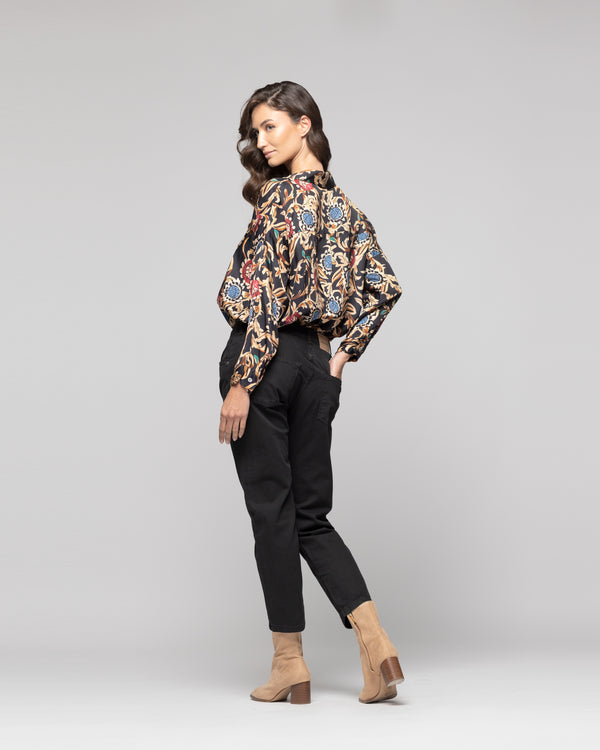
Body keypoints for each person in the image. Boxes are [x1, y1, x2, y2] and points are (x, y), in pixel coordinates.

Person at [216, 80, 404, 704]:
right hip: (318, 370)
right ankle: (375, 643)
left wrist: (242, 381)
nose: (260, 140)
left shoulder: (275, 199)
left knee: (274, 512)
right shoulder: (349, 211)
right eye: (256, 131)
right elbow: (386, 288)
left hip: (265, 361)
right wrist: (341, 355)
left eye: (270, 126)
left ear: (304, 124)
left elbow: (263, 300)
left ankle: (289, 664)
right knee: (310, 516)